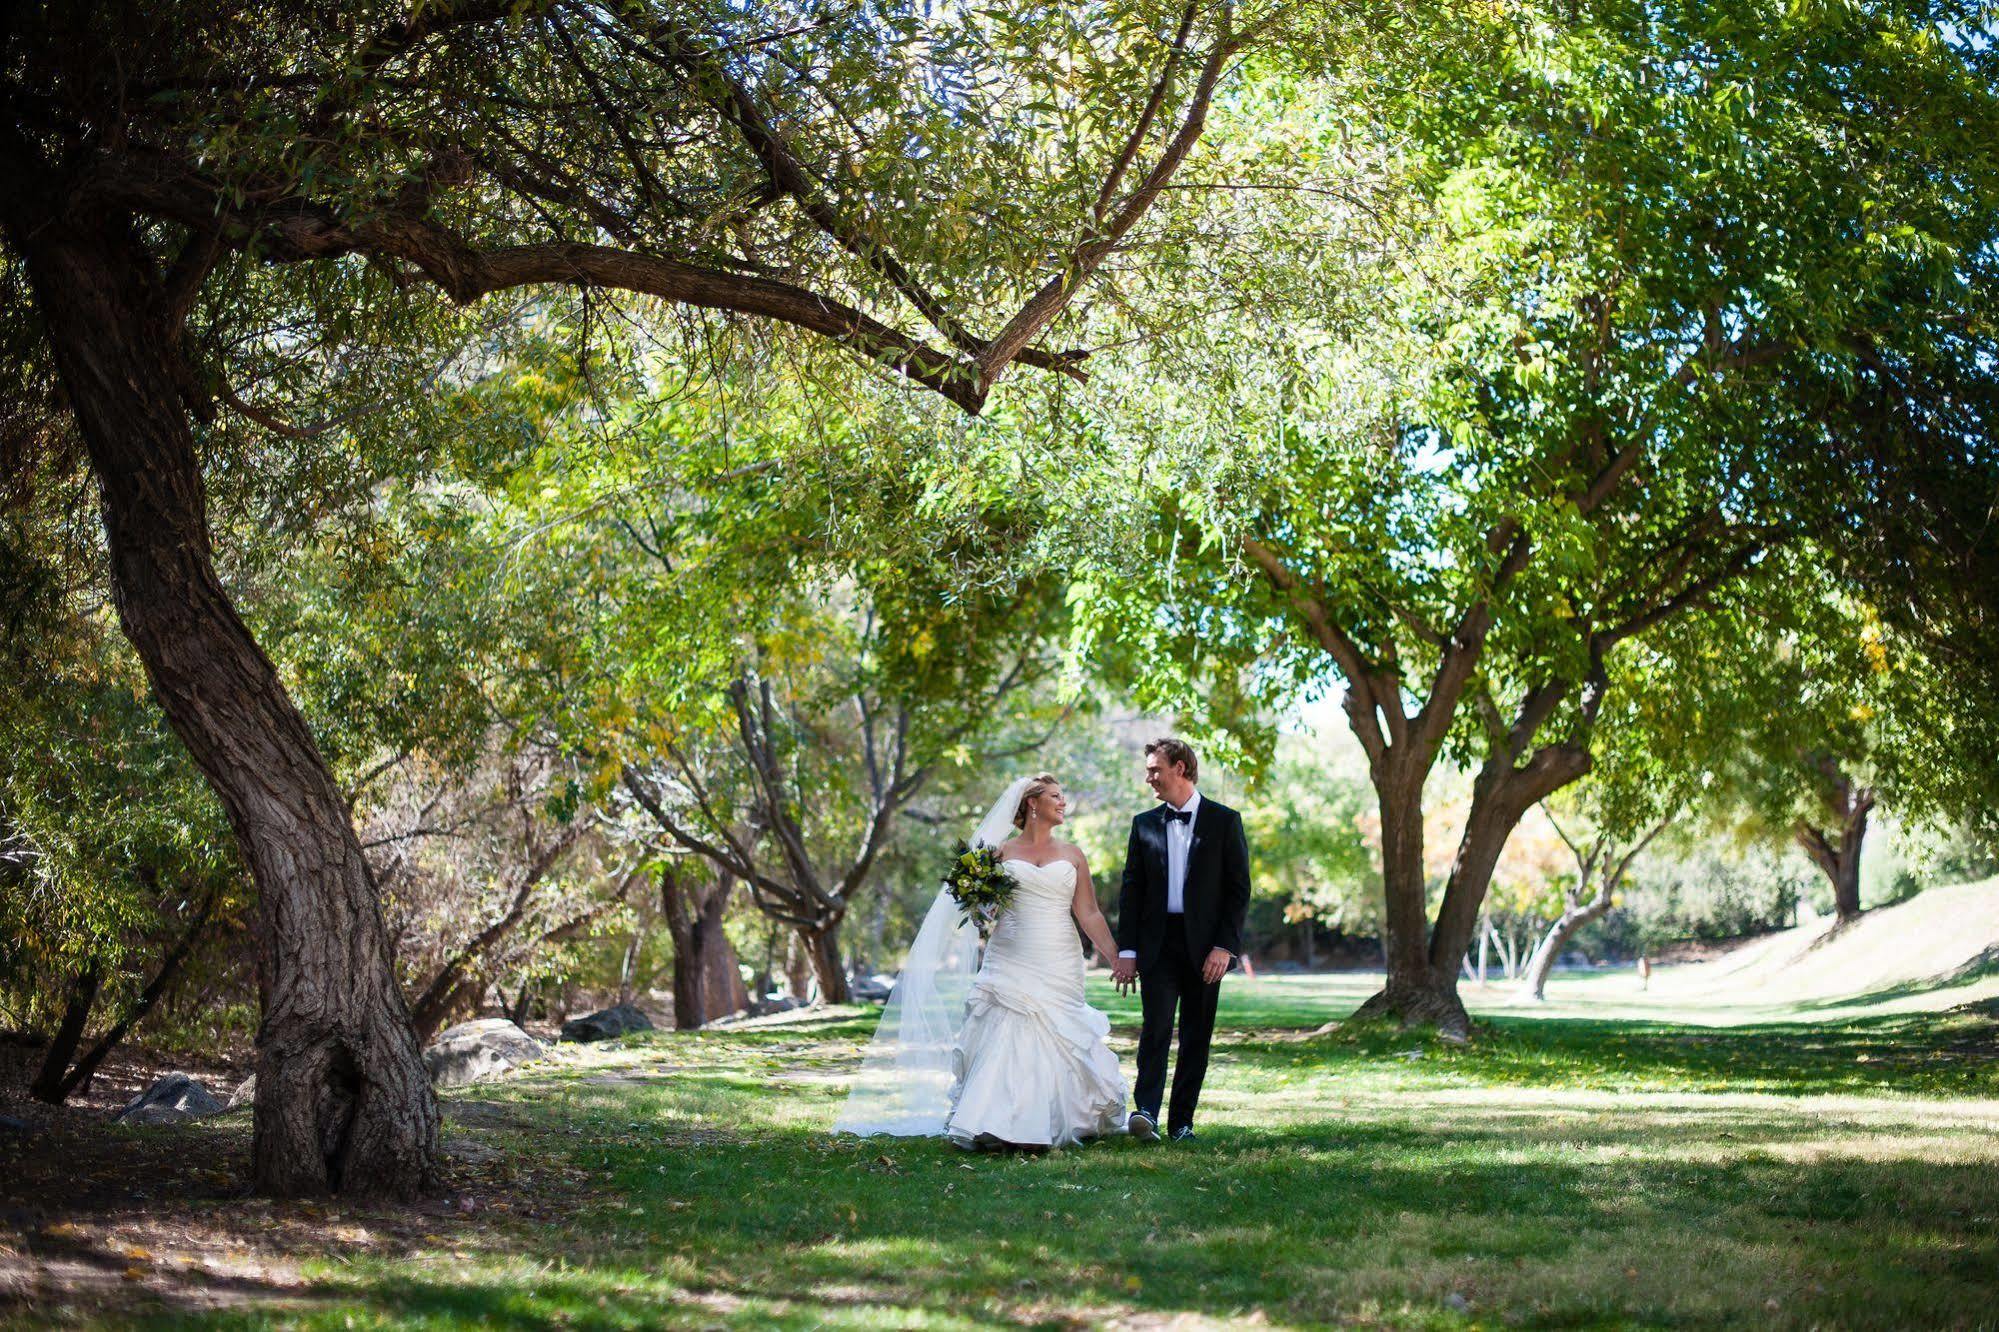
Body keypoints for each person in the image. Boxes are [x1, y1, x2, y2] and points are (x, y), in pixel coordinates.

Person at [833, 773, 1127, 1150]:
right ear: (1032, 803)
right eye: (1055, 796)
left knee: (1056, 1029)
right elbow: (979, 908)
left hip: (1059, 954)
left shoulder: (1073, 854)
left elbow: (1088, 913)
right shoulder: (999, 853)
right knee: (1007, 1028)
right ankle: (994, 1121)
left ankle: (1056, 1118)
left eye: (1063, 796)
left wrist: (1115, 956)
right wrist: (980, 903)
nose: (1063, 802)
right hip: (1010, 952)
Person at [1112, 738, 1251, 1144]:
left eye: (1156, 769)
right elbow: (1131, 891)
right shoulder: (1143, 824)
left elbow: (1238, 890)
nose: (1149, 777)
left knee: (1196, 1034)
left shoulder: (1224, 821)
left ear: (1181, 768)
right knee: (1154, 1029)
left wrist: (1224, 947)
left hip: (1208, 949)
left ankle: (1182, 1124)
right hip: (1157, 945)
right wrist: (1128, 950)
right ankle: (1147, 1114)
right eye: (1148, 770)